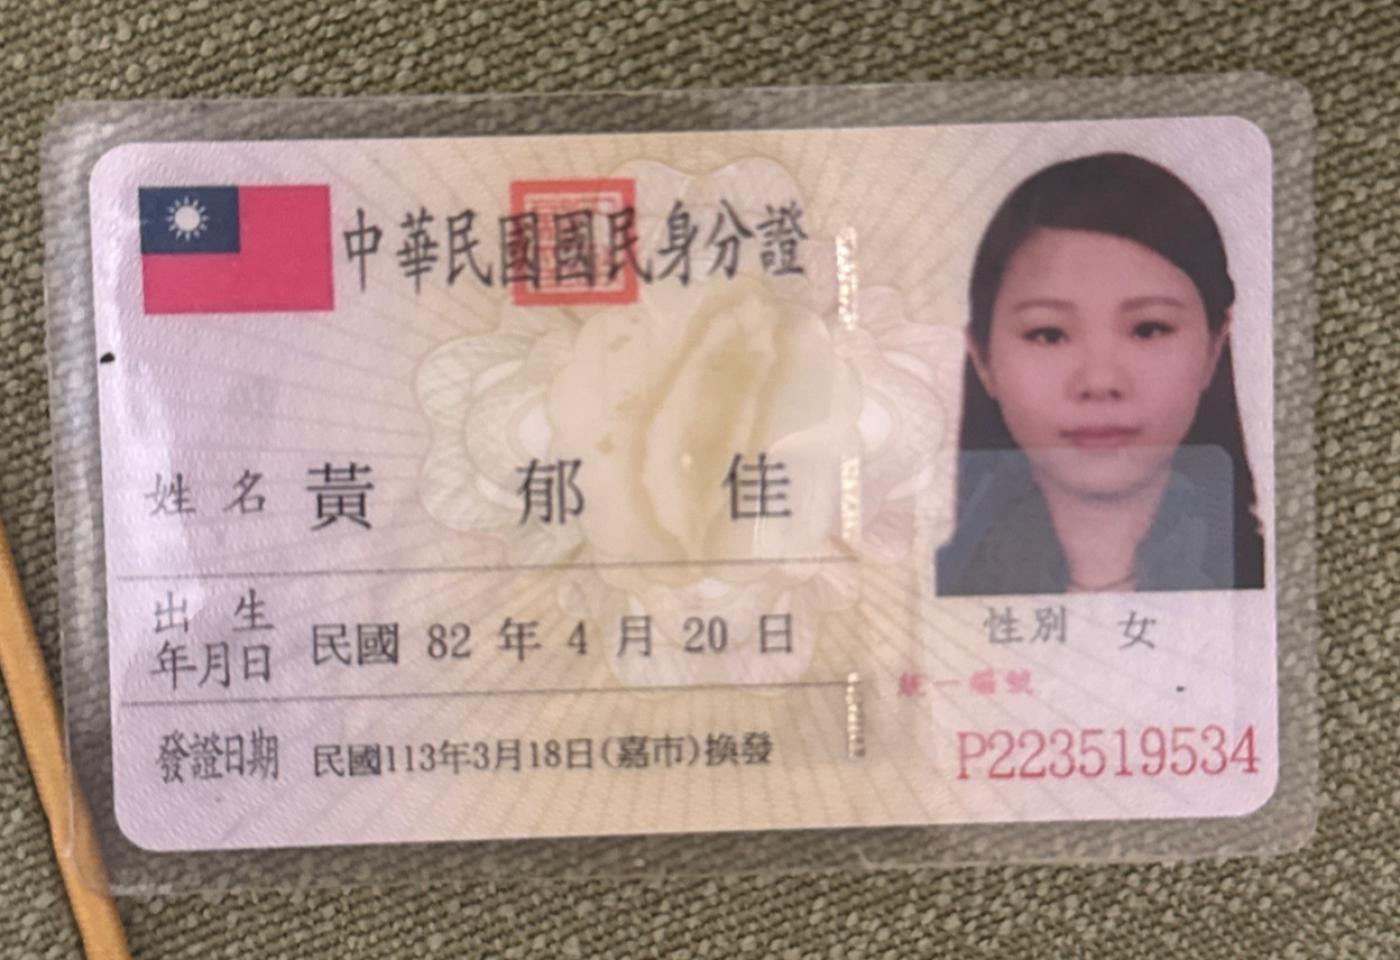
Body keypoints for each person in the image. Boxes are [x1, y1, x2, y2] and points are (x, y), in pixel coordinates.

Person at [935, 152, 1265, 596]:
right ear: (983, 359)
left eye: (1148, 329)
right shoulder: (922, 595)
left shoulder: (1278, 581)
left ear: (1213, 347)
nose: (1099, 383)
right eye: (1049, 334)